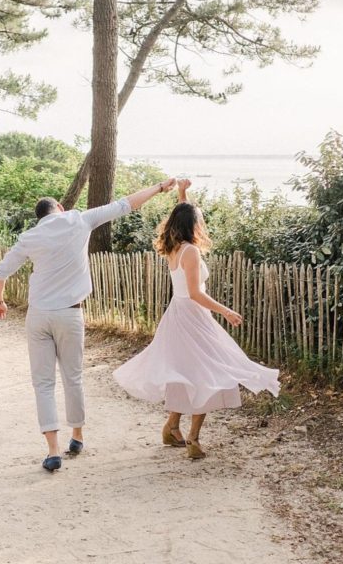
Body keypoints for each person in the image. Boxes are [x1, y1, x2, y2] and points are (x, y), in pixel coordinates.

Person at [0, 179, 176, 472]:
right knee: (73, 377)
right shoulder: (79, 220)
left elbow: (0, 272)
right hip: (70, 313)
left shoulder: (30, 237)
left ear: (39, 217)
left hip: (38, 315)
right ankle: (76, 436)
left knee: (42, 383)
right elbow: (125, 205)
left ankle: (52, 450)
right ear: (61, 209)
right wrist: (158, 188)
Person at [113, 179, 280, 459]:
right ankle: (193, 439)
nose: (202, 223)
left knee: (186, 373)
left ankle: (171, 427)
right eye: (199, 219)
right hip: (192, 317)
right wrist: (225, 310)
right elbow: (195, 293)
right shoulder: (190, 251)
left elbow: (183, 212)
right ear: (193, 224)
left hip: (177, 316)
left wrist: (182, 193)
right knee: (208, 373)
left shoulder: (174, 247)